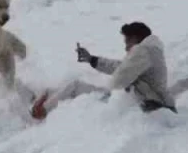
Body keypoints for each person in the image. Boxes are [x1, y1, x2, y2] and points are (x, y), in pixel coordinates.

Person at [29, 22, 176, 119]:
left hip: (144, 105)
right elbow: (120, 67)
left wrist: (110, 97)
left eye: (127, 42)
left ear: (136, 39)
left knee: (75, 87)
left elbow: (118, 80)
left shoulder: (142, 50)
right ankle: (45, 102)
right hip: (145, 101)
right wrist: (92, 59)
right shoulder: (150, 51)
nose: (125, 48)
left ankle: (42, 111)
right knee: (75, 87)